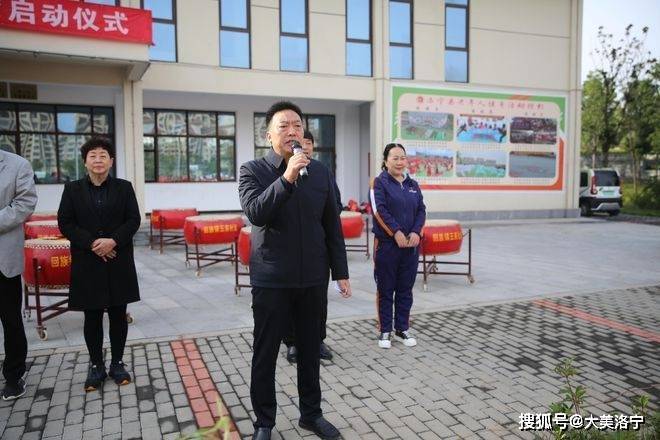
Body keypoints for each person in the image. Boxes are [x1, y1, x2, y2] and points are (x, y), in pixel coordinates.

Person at [239, 101, 351, 440]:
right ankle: (264, 422)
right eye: (284, 126)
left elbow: (332, 225)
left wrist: (340, 272)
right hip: (272, 279)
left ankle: (311, 415)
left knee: (310, 350)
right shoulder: (253, 171)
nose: (292, 131)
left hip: (312, 278)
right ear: (268, 135)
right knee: (266, 353)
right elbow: (256, 213)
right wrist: (287, 177)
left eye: (297, 126)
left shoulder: (320, 172)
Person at [57, 136, 141, 392]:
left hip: (118, 260)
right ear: (85, 162)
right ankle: (96, 366)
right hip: (88, 262)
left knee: (118, 315)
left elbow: (133, 219)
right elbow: (65, 223)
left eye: (103, 155)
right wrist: (94, 243)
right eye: (92, 155)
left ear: (111, 161)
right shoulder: (72, 190)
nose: (98, 160)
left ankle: (117, 363)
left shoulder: (124, 188)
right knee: (92, 316)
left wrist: (113, 241)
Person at [282, 130, 342, 363]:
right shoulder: (283, 171)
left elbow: (335, 204)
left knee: (318, 301)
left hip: (317, 249)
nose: (304, 147)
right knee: (290, 300)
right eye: (301, 143)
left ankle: (318, 340)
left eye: (308, 143)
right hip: (289, 250)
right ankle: (292, 343)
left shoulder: (321, 171)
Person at [370, 143, 426, 349]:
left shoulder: (413, 185)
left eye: (403, 158)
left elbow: (421, 210)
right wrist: (396, 232)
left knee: (405, 289)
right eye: (395, 158)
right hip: (387, 246)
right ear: (386, 161)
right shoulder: (379, 183)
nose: (400, 162)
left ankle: (402, 329)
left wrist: (416, 232)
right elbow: (379, 210)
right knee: (385, 289)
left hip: (410, 246)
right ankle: (385, 330)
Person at [0, 149, 37, 400]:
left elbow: (25, 203)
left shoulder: (17, 165)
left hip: (4, 260)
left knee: (10, 320)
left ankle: (14, 375)